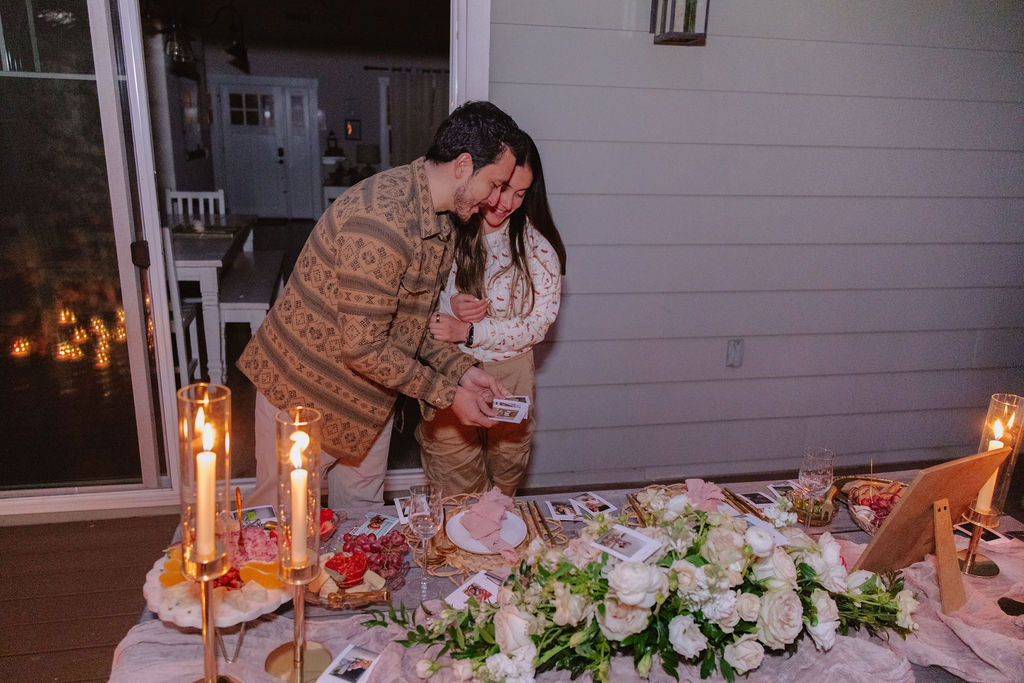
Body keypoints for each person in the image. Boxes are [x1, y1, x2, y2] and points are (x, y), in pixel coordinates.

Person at [237, 101, 528, 508]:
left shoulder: (443, 216)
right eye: (496, 183)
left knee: (362, 526)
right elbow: (364, 347)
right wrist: (446, 394)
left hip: (369, 400)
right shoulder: (382, 222)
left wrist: (462, 373)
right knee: (282, 527)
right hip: (303, 394)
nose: (497, 199)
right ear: (464, 165)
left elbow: (412, 325)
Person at [415, 133, 566, 496]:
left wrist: (470, 331)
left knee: (506, 476)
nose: (506, 203)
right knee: (454, 480)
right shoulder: (443, 229)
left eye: (520, 193)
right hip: (448, 367)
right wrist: (449, 303)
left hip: (509, 375)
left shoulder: (540, 251)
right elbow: (412, 302)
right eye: (502, 187)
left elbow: (537, 326)